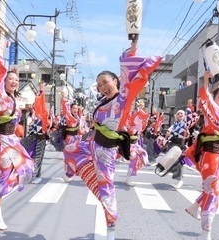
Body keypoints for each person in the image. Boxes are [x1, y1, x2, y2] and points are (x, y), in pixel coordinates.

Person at [63, 41, 162, 239]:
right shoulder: (103, 101)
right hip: (93, 144)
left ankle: (111, 230)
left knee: (107, 188)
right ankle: (84, 176)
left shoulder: (123, 97)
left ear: (116, 81)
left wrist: (132, 49)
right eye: (99, 85)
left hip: (105, 150)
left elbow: (129, 75)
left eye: (105, 82)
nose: (101, 87)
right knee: (70, 149)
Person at [0, 46, 34, 230]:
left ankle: (1, 182)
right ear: (4, 82)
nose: (14, 82)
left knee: (27, 167)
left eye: (16, 79)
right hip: (1, 139)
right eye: (10, 79)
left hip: (13, 140)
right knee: (2, 173)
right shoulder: (0, 95)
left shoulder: (16, 99)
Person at [184, 71, 219, 240]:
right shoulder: (210, 110)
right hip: (211, 154)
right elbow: (204, 95)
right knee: (212, 191)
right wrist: (206, 81)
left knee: (218, 190)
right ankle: (205, 233)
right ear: (214, 99)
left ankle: (195, 206)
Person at [20, 82, 49, 184]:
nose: (34, 106)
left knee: (37, 157)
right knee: (26, 153)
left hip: (41, 138)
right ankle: (29, 173)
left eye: (36, 104)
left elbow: (43, 102)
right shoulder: (33, 116)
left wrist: (41, 91)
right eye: (34, 104)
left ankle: (36, 175)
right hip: (32, 137)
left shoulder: (42, 115)